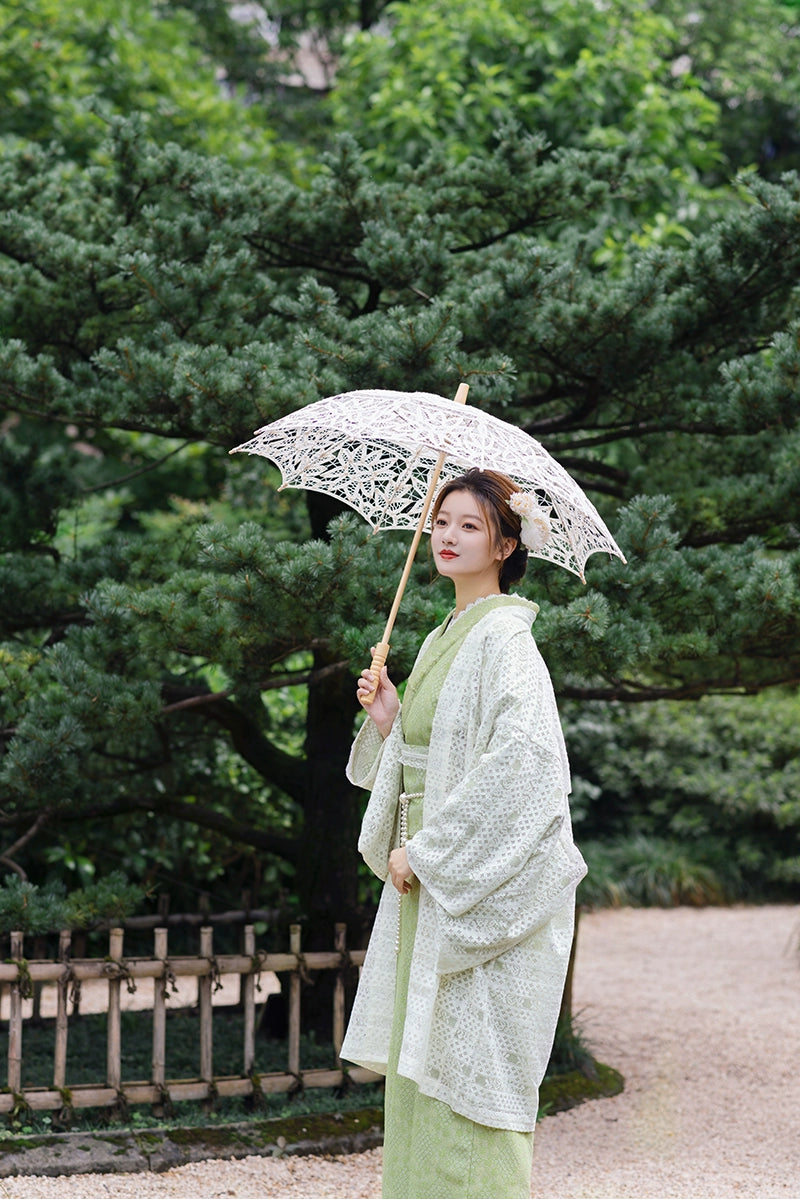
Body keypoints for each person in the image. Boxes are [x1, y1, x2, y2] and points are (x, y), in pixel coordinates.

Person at [340, 468, 587, 1199]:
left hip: (471, 880)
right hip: (432, 881)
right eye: (441, 521)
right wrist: (391, 720)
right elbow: (436, 756)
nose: (447, 535)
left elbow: (527, 765)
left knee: (471, 1062)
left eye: (470, 525)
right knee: (425, 1058)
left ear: (507, 542)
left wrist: (430, 851)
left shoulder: (505, 640)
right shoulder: (447, 633)